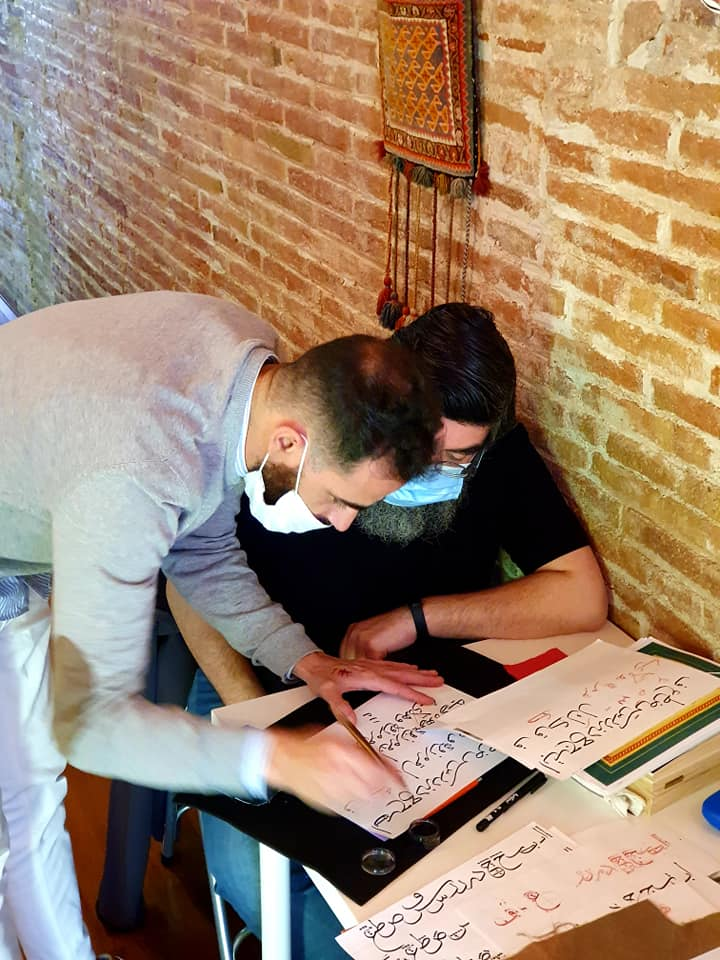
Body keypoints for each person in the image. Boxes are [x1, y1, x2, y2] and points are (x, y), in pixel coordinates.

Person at [0, 290, 445, 960]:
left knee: (27, 795)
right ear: (290, 440)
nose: (342, 523)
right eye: (339, 499)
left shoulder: (245, 355)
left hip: (30, 490)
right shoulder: (132, 472)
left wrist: (303, 659)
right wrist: (280, 759)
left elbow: (199, 545)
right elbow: (90, 726)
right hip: (49, 497)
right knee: (17, 810)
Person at [169, 302, 609, 958]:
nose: (425, 468)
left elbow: (581, 594)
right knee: (268, 884)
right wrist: (259, 722)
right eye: (417, 447)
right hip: (263, 684)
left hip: (420, 701)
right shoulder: (311, 434)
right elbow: (188, 583)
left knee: (463, 879)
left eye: (455, 456)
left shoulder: (496, 454)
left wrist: (415, 619)